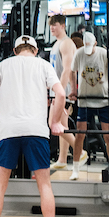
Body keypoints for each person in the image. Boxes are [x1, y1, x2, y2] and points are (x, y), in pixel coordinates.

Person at [0, 35, 66, 217]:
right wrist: (55, 122)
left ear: (15, 49)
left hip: (7, 130)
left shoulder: (2, 65)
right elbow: (60, 94)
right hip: (36, 130)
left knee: (0, 185)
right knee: (44, 185)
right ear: (35, 50)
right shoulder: (43, 65)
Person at [69, 32, 109, 179]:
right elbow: (72, 71)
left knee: (108, 136)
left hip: (103, 99)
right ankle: (75, 169)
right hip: (85, 100)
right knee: (80, 134)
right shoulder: (79, 53)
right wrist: (73, 89)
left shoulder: (103, 54)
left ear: (95, 44)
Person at [48, 14, 82, 172]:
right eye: (50, 25)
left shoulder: (67, 43)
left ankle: (79, 150)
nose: (52, 28)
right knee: (62, 125)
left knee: (54, 123)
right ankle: (62, 159)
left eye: (55, 25)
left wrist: (59, 92)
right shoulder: (56, 44)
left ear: (63, 25)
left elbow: (68, 70)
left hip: (63, 91)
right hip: (59, 90)